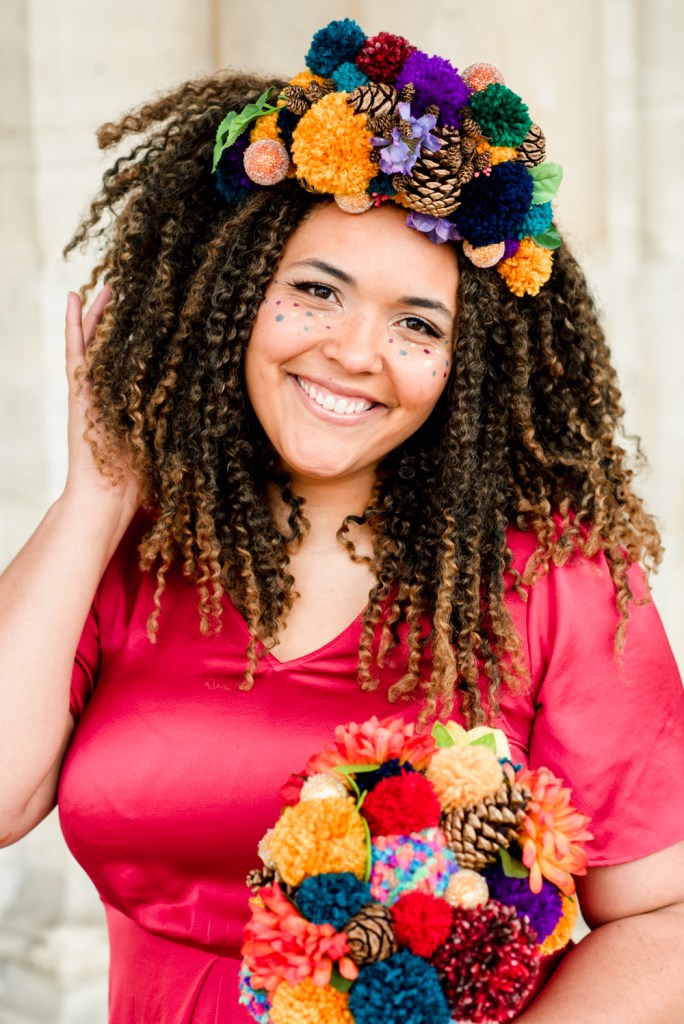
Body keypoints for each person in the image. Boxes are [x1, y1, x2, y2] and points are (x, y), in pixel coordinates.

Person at [1, 18, 683, 1024]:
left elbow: (660, 919)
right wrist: (96, 490)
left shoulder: (557, 580)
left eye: (418, 323)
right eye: (317, 292)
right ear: (231, 298)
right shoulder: (126, 555)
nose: (357, 352)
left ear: (468, 365)